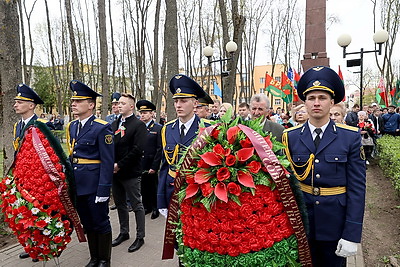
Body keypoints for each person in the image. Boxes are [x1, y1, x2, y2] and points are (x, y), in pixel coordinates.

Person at [282, 66, 366, 267]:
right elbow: (286, 186)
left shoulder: (350, 137)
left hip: (335, 224)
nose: (316, 103)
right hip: (301, 223)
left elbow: (357, 189)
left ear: (332, 102)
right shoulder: (290, 137)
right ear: (305, 102)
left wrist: (352, 234)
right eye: (311, 98)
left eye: (322, 97)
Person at [66, 80, 114, 267]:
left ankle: (104, 260)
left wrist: (104, 190)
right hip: (79, 184)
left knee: (100, 222)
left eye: (78, 101)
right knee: (88, 223)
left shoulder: (101, 127)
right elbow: (73, 156)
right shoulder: (72, 126)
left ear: (91, 105)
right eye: (73, 101)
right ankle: (94, 258)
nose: (74, 104)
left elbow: (108, 161)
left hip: (95, 184)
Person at [157, 74, 208, 217]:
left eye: (184, 101)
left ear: (195, 103)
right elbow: (164, 167)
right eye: (176, 101)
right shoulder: (167, 129)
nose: (178, 105)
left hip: (198, 194)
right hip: (171, 192)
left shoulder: (207, 129)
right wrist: (161, 199)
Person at [13, 83, 48, 262]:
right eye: (15, 102)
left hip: (39, 179)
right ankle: (31, 245)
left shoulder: (40, 125)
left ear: (31, 105)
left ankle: (42, 246)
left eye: (20, 102)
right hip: (23, 177)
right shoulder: (18, 126)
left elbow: (48, 154)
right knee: (26, 212)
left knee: (38, 212)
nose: (15, 105)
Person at [110, 94, 148, 252]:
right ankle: (124, 232)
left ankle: (140, 237)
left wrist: (120, 164)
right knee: (120, 204)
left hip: (130, 172)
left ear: (131, 107)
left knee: (136, 204)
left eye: (123, 103)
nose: (119, 105)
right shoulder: (114, 124)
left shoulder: (138, 125)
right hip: (114, 172)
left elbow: (137, 150)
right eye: (118, 103)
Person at [136, 99, 163, 220]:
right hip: (140, 163)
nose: (143, 115)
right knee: (143, 186)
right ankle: (146, 206)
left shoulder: (158, 128)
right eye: (141, 112)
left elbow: (159, 149)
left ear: (152, 114)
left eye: (146, 112)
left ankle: (155, 207)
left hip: (152, 163)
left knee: (153, 187)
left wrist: (155, 166)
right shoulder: (138, 127)